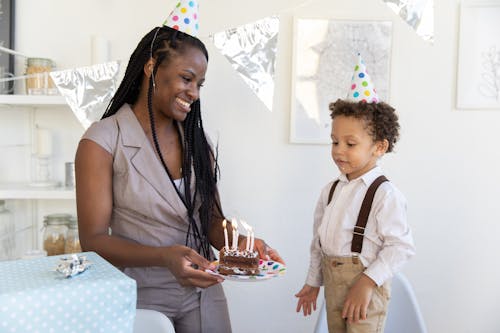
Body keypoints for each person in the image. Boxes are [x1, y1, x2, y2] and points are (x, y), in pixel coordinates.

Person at [74, 2, 283, 332]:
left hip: (203, 293)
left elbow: (212, 223)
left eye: (200, 84)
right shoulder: (102, 142)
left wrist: (242, 246)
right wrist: (165, 257)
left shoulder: (198, 146)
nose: (194, 93)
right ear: (152, 66)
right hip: (141, 297)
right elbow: (94, 240)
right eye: (187, 78)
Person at [295, 55, 415, 333]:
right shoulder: (331, 190)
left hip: (366, 291)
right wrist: (314, 282)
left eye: (350, 143)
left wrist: (367, 282)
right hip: (333, 285)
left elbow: (401, 246)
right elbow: (319, 242)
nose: (338, 150)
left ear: (379, 147)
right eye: (335, 141)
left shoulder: (385, 194)